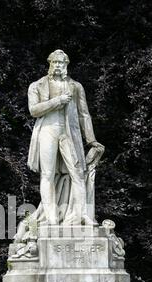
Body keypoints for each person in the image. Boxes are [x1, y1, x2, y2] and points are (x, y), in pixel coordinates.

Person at [27, 49, 104, 225]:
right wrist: (57, 101)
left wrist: (91, 140)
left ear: (66, 65)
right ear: (49, 64)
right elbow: (33, 110)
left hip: (69, 133)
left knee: (78, 173)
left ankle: (82, 214)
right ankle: (52, 218)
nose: (57, 66)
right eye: (54, 62)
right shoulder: (37, 85)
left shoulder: (75, 86)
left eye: (61, 63)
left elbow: (84, 114)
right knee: (47, 174)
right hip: (47, 131)